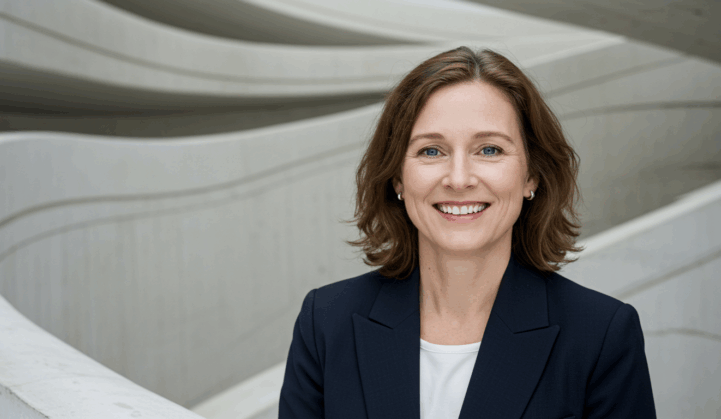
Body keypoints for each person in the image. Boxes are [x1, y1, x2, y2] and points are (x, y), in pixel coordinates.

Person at [278, 46, 656, 419]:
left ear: (531, 176)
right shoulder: (326, 323)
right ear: (397, 177)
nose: (458, 180)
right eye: (431, 151)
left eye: (489, 150)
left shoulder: (601, 336)